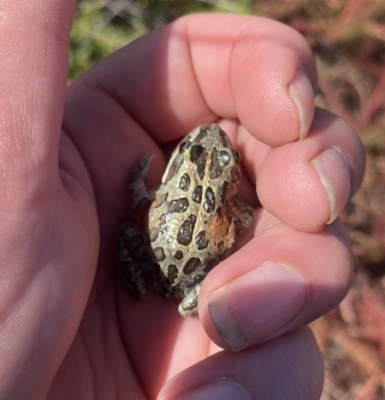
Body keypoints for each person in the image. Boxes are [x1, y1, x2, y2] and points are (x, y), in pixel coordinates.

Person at [0, 2, 365, 399]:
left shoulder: (168, 187)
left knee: (131, 231)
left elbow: (139, 196)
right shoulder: (232, 204)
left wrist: (140, 174)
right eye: (197, 148)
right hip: (187, 285)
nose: (205, 140)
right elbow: (240, 223)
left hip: (161, 269)